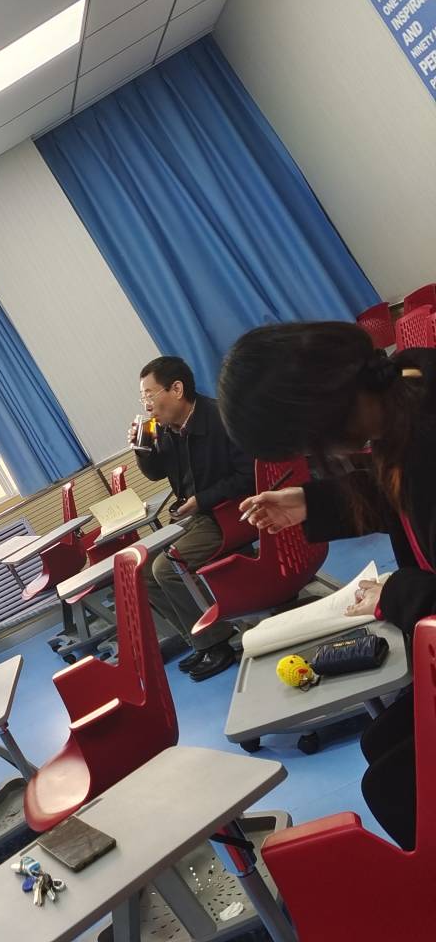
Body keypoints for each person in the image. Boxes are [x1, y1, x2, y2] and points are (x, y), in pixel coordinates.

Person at [218, 320, 436, 850]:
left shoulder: (426, 438)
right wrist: (308, 501)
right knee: (382, 741)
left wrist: (394, 593)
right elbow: (402, 494)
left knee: (392, 783)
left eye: (303, 443)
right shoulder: (408, 387)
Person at [131, 356, 256, 681]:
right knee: (141, 571)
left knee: (167, 567)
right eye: (143, 398)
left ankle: (218, 642)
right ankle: (200, 641)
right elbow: (156, 473)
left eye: (149, 395)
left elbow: (248, 476)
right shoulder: (167, 429)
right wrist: (142, 449)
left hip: (229, 513)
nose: (147, 405)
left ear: (176, 389)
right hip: (198, 518)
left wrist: (202, 500)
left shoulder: (220, 417)